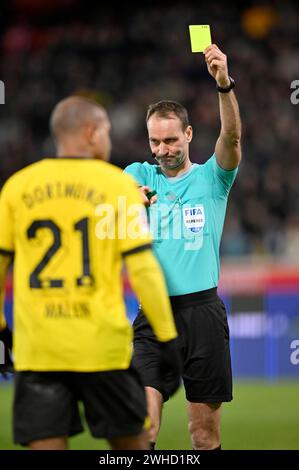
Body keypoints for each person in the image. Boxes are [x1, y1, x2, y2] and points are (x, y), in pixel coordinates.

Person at [0, 95, 181, 450]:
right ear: (91, 133)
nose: (109, 140)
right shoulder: (116, 186)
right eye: (107, 132)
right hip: (102, 350)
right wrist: (167, 337)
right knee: (133, 450)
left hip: (38, 351)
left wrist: (2, 333)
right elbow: (143, 269)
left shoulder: (16, 188)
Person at [124, 44, 242, 450]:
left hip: (203, 315)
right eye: (155, 141)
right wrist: (128, 197)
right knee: (142, 429)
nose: (162, 150)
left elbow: (232, 135)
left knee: (203, 435)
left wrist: (223, 84)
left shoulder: (214, 178)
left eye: (171, 140)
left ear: (188, 135)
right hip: (152, 316)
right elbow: (118, 189)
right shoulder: (139, 174)